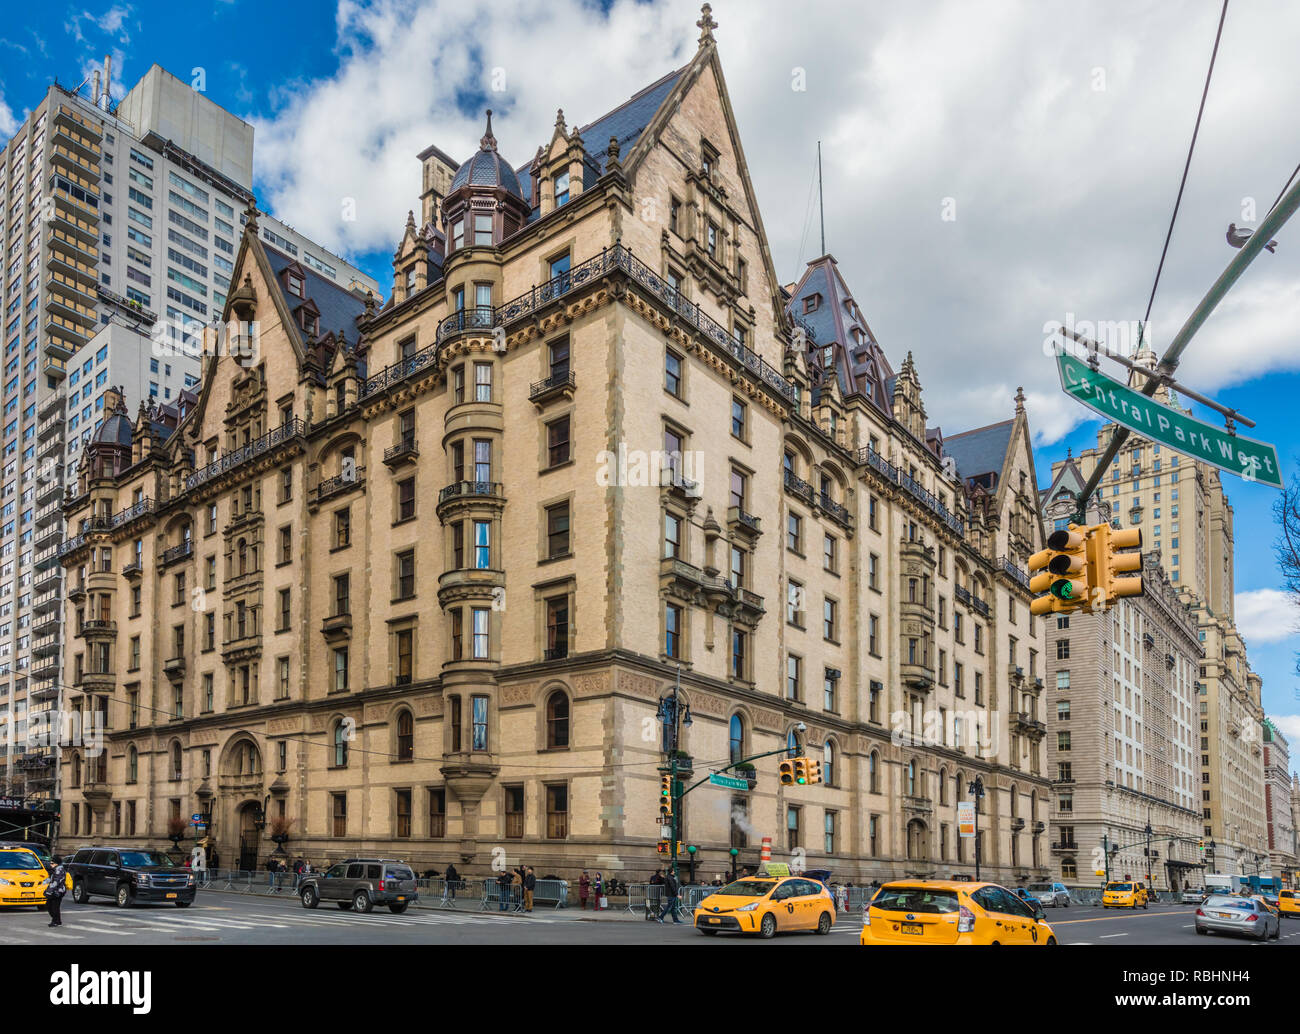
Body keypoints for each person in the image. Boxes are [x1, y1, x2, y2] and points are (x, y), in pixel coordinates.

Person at [44, 854, 67, 928]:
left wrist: (49, 891)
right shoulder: (55, 869)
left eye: (52, 863)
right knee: (51, 906)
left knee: (53, 907)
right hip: (56, 890)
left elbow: (56, 882)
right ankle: (57, 921)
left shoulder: (59, 870)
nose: (51, 864)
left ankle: (55, 921)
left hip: (58, 891)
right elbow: (52, 880)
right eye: (50, 863)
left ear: (56, 863)